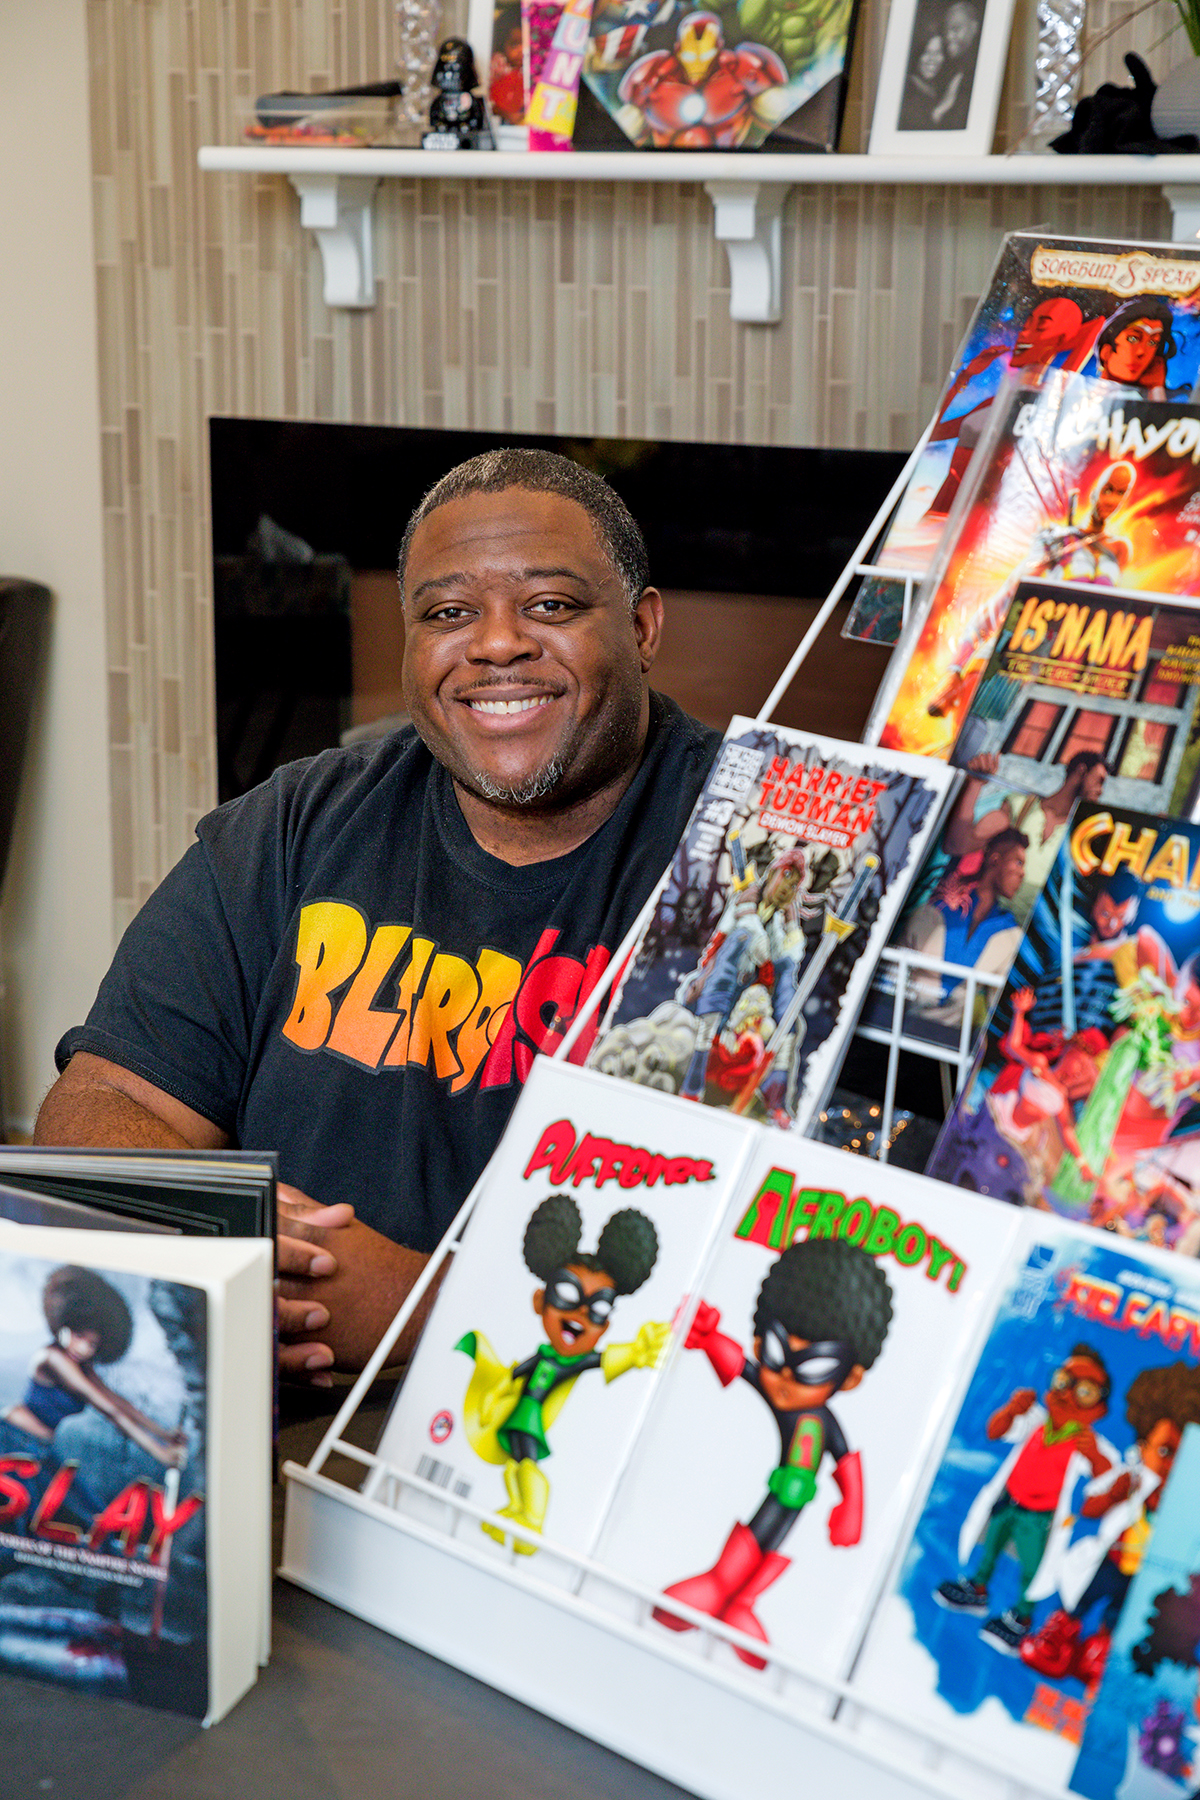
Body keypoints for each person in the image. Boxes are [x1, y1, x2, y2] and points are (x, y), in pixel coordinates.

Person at [33, 450, 723, 1383]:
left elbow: (778, 1265)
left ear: (642, 627)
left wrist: (429, 1312)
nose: (496, 646)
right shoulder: (291, 827)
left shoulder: (757, 858)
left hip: (577, 1430)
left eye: (550, 606)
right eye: (447, 614)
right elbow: (103, 1108)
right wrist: (241, 1240)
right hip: (281, 1407)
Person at [941, 750, 1108, 924]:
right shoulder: (1020, 807)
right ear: (1081, 771)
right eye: (1099, 780)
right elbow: (956, 845)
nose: (1101, 790)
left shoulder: (1082, 836)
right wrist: (975, 784)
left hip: (1027, 936)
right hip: (983, 919)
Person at [897, 826, 1027, 1031]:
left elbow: (1000, 1008)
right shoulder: (934, 910)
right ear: (995, 860)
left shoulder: (1012, 935)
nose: (1022, 874)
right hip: (896, 1024)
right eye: (1018, 862)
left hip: (951, 1042)